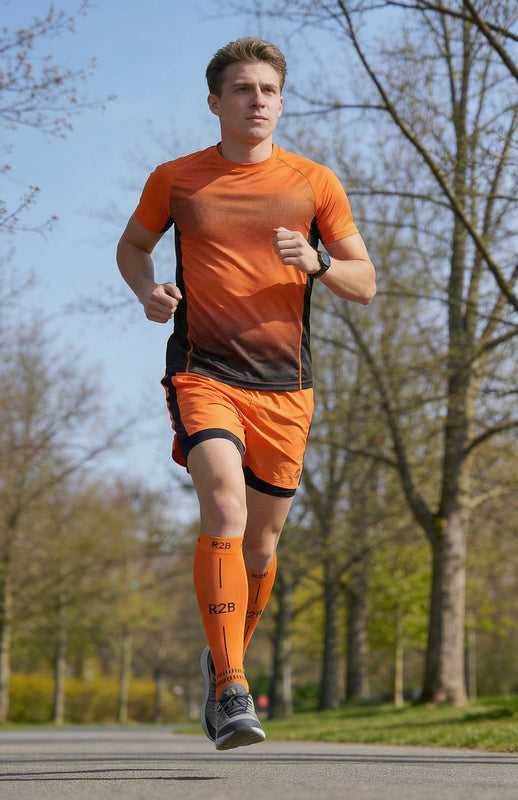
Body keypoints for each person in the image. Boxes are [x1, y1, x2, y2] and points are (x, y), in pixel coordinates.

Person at [116, 37, 376, 751]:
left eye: (267, 90)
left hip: (286, 388)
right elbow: (132, 247)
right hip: (203, 370)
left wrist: (319, 261)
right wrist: (148, 291)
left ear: (281, 101)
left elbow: (365, 282)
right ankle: (232, 685)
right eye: (241, 89)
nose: (256, 100)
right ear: (215, 103)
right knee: (224, 502)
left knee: (261, 545)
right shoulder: (177, 179)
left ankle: (221, 658)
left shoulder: (314, 184)